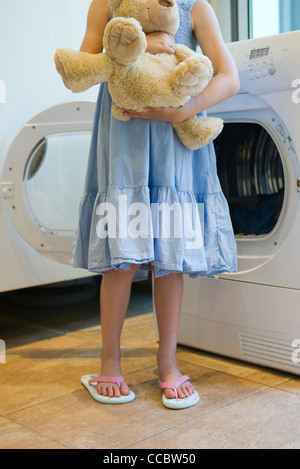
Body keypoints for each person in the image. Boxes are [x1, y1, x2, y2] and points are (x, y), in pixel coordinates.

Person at [74, 0, 240, 409]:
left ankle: (168, 361)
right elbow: (81, 67)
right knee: (122, 259)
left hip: (175, 147)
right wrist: (140, 43)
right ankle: (108, 360)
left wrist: (186, 109)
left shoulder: (195, 7)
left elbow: (229, 78)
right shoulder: (107, 4)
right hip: (125, 147)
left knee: (171, 258)